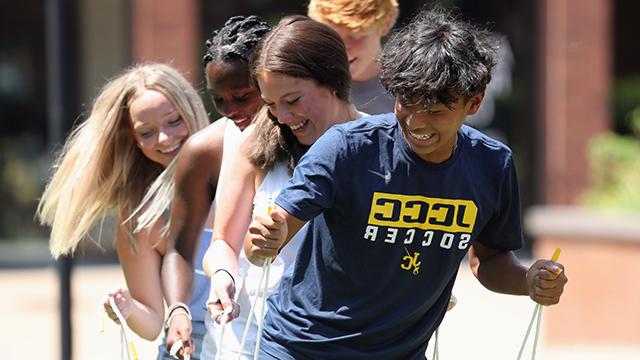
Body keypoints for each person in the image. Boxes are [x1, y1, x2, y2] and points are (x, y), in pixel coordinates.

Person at [241, 8, 568, 359]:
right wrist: (266, 238)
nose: (416, 121)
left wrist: (527, 281)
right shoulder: (347, 148)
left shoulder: (492, 165)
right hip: (300, 348)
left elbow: (488, 260)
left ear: (473, 103)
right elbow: (260, 243)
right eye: (406, 102)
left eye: (435, 110)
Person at [201, 15, 363, 358]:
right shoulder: (255, 146)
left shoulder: (383, 145)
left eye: (292, 100)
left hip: (352, 341)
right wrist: (222, 277)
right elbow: (223, 243)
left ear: (332, 80)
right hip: (255, 339)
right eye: (271, 105)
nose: (282, 118)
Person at [36, 63, 210, 341]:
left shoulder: (242, 168)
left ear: (192, 109)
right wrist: (127, 308)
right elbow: (152, 324)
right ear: (135, 141)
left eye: (174, 120)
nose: (164, 138)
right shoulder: (141, 217)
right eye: (147, 132)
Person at [134, 16, 271, 359]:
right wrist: (178, 307)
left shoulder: (313, 136)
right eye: (219, 100)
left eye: (243, 96)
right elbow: (180, 249)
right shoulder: (205, 150)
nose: (231, 111)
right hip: (227, 336)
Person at [307, 0, 398, 114]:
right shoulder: (305, 84)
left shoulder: (406, 89)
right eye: (332, 36)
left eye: (355, 36)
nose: (341, 47)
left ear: (386, 23)